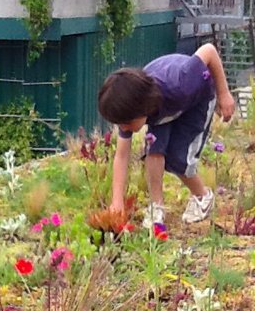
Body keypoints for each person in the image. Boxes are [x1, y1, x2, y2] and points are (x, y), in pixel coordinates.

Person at [97, 43, 235, 228]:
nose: (124, 128)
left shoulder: (182, 82)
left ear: (140, 108)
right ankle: (156, 206)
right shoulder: (131, 109)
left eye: (126, 123)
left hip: (196, 100)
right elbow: (121, 156)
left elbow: (209, 50)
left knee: (179, 159)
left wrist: (223, 93)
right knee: (154, 151)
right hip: (161, 107)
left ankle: (203, 196)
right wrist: (117, 202)